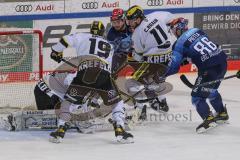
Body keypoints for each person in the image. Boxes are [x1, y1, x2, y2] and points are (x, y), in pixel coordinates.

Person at [49, 21, 133, 143]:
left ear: (91, 30)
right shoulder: (109, 45)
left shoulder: (82, 36)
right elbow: (109, 67)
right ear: (102, 32)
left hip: (84, 73)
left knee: (69, 101)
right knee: (117, 101)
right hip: (104, 74)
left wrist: (56, 51)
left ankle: (60, 131)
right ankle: (120, 130)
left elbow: (65, 39)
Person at [166, 18, 230, 133]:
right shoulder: (197, 30)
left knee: (197, 97)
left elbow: (174, 67)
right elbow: (207, 47)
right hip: (222, 62)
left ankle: (208, 119)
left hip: (209, 69)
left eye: (173, 30)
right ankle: (222, 113)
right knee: (210, 90)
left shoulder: (179, 43)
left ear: (177, 29)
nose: (173, 33)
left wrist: (161, 75)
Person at [125, 5, 177, 113]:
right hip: (168, 57)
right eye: (129, 21)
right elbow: (171, 17)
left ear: (139, 19)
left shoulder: (137, 33)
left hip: (154, 61)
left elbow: (138, 55)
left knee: (136, 81)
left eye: (132, 21)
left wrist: (130, 54)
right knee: (155, 80)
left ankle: (141, 111)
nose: (129, 23)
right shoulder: (155, 15)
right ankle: (162, 102)